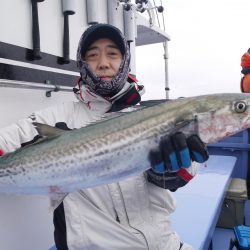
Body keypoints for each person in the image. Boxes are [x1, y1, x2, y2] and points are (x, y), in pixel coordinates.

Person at [0, 24, 208, 250]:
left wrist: (170, 173)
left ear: (124, 60)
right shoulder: (58, 118)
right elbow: (6, 142)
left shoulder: (153, 114)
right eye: (92, 55)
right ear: (82, 63)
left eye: (112, 54)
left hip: (164, 244)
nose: (103, 63)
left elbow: (184, 174)